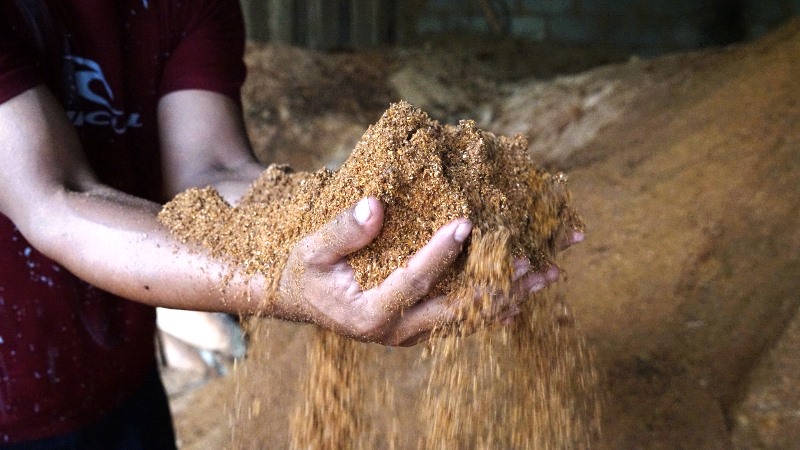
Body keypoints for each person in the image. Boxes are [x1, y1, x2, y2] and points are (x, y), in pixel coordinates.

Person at [0, 0, 575, 448]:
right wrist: (285, 283)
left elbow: (212, 173)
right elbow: (55, 197)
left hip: (119, 386)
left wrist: (362, 219)